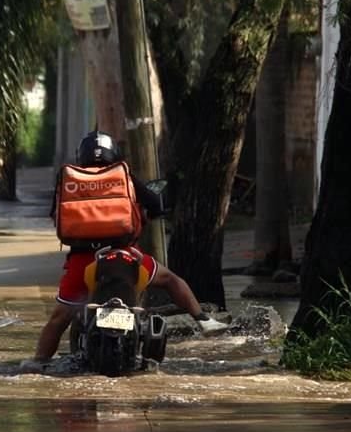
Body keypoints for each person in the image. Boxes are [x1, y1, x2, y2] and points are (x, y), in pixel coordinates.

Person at [34, 130, 229, 361]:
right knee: (170, 280)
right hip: (126, 257)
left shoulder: (69, 178)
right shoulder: (123, 175)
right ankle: (204, 321)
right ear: (113, 154)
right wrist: (146, 215)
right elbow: (156, 203)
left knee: (59, 319)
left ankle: (36, 363)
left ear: (82, 155)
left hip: (82, 262)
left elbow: (56, 217)